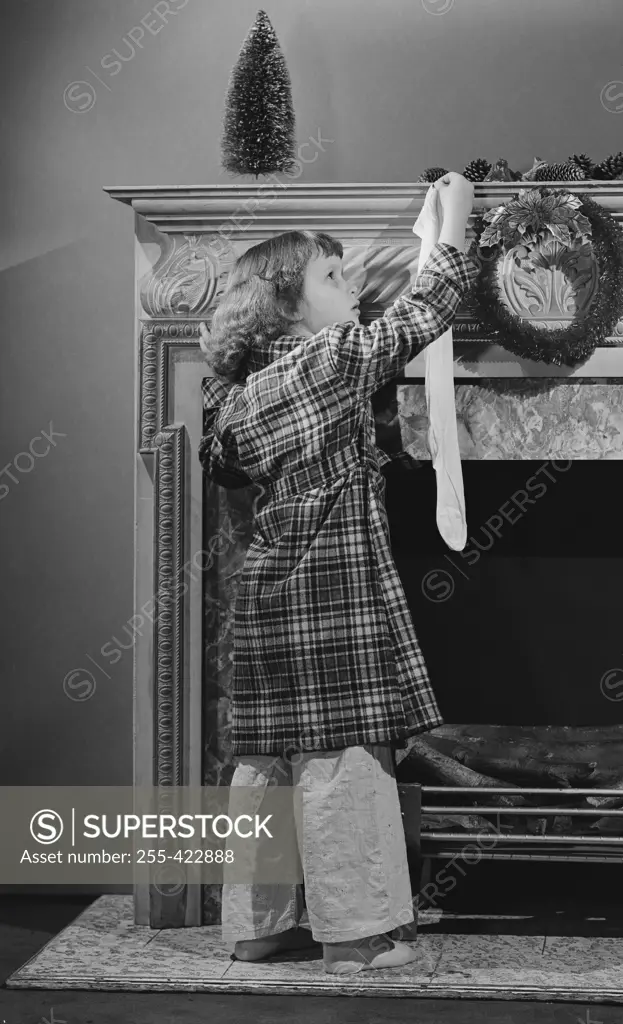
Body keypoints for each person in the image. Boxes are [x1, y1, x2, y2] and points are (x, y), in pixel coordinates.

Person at [198, 172, 477, 975]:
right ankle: (356, 934)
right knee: (343, 759)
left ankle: (255, 927)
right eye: (331, 276)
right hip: (328, 592)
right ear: (284, 306)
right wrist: (453, 215)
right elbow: (424, 313)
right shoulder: (327, 361)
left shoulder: (242, 396)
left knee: (268, 763)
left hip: (263, 595)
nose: (351, 283)